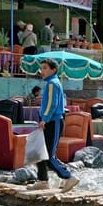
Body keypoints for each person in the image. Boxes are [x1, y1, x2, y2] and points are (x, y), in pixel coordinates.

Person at [29, 59, 79, 192]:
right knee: (41, 153)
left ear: (53, 70)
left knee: (49, 156)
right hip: (49, 121)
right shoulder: (51, 83)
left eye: (45, 68)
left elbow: (52, 104)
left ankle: (68, 177)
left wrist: (44, 119)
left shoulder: (52, 84)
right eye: (42, 68)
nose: (42, 71)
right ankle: (42, 181)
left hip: (53, 121)